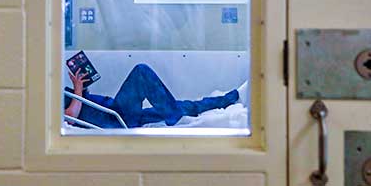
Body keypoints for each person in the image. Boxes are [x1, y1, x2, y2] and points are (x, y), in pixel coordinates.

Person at [64, 63, 240, 128]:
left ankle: (227, 99)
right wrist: (77, 90)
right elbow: (69, 118)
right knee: (141, 72)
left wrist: (82, 87)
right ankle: (174, 115)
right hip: (114, 119)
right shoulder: (48, 102)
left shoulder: (59, 92)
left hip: (115, 112)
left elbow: (80, 105)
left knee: (182, 106)